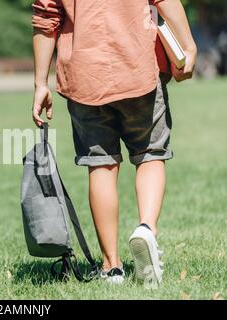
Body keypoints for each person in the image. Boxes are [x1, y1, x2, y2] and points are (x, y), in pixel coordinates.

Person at [31, 0, 197, 284]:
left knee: (101, 165)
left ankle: (112, 267)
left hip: (84, 76)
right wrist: (188, 46)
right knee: (150, 154)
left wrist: (40, 83)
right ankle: (146, 229)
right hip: (138, 67)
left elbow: (46, 17)